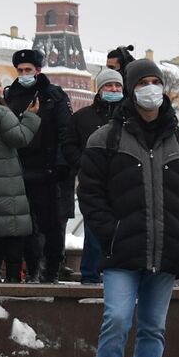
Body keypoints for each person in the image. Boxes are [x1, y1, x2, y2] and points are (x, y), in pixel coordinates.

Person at [78, 59, 179, 357]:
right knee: (116, 320)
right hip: (123, 250)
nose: (151, 88)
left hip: (166, 249)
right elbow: (90, 192)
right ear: (131, 89)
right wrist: (111, 232)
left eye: (156, 82)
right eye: (144, 82)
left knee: (153, 328)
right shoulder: (106, 138)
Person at [2, 48, 80, 282]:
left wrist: (60, 165)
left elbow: (66, 132)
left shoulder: (53, 95)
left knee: (52, 225)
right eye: (20, 70)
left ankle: (51, 269)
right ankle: (33, 268)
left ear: (38, 70)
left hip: (49, 171)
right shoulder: (11, 96)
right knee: (26, 227)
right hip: (20, 169)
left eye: (29, 70)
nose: (24, 73)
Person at [0, 75, 41, 282]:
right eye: (0, 85)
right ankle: (13, 278)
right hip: (6, 183)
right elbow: (19, 138)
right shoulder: (1, 112)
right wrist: (30, 117)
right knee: (12, 231)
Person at [70, 67, 126, 284]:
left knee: (123, 232)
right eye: (108, 86)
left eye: (117, 85)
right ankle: (90, 276)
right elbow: (69, 146)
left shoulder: (131, 117)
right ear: (99, 89)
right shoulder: (82, 117)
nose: (113, 89)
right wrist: (84, 165)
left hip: (123, 184)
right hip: (93, 184)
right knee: (93, 232)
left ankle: (119, 275)